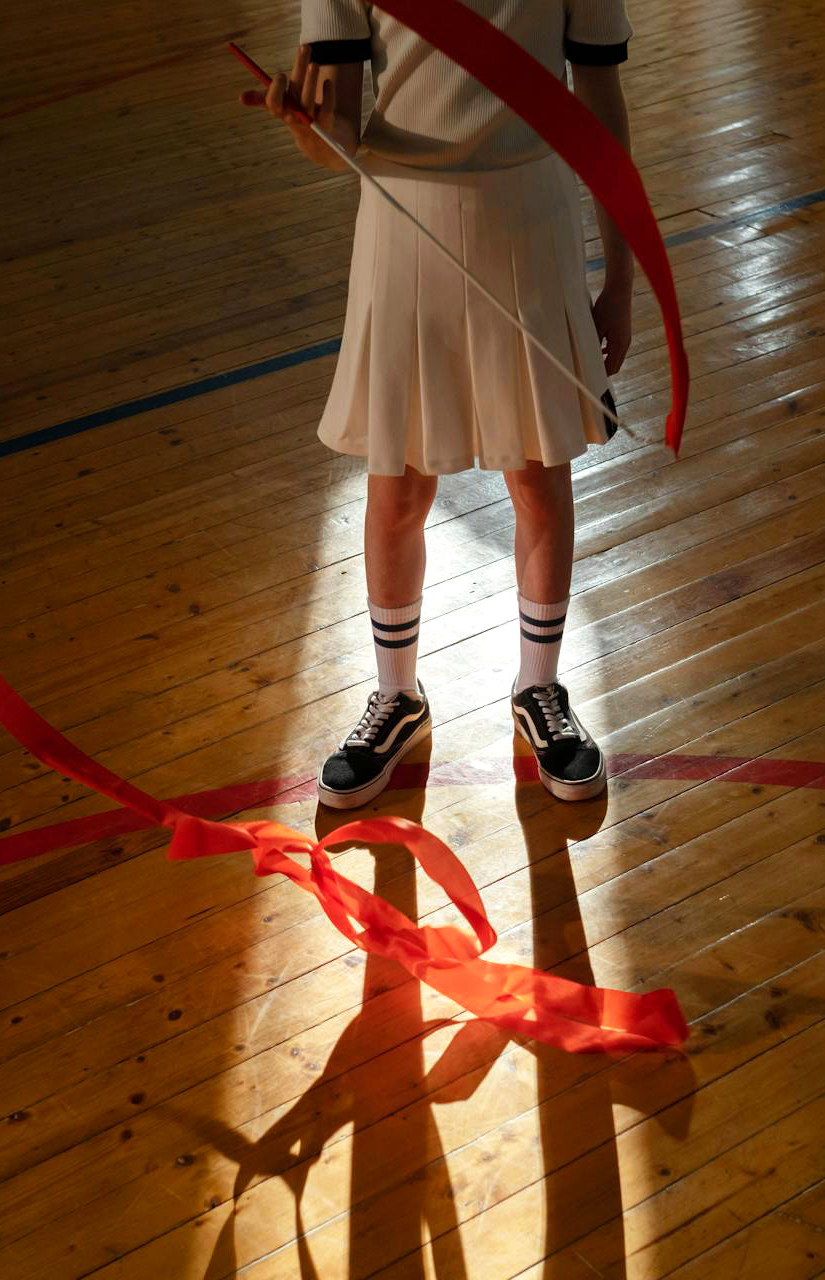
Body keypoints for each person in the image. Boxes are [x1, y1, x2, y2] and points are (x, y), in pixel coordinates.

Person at [240, 1, 637, 807]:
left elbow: (600, 103)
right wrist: (302, 127)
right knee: (398, 482)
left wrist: (621, 279)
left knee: (538, 471)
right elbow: (337, 137)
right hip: (404, 220)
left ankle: (540, 690)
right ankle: (396, 695)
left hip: (531, 216)